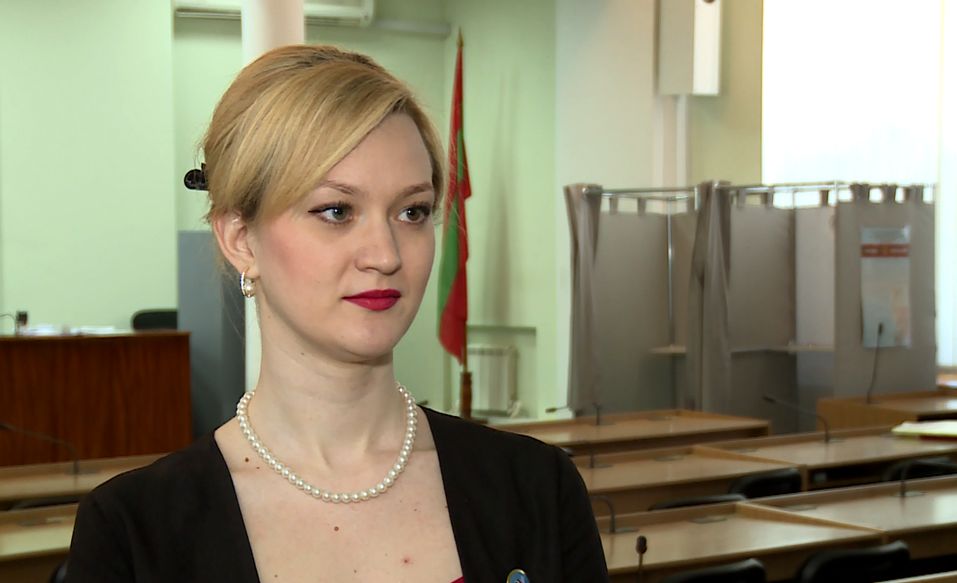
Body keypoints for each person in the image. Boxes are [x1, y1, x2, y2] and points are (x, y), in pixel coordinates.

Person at [66, 44, 607, 582]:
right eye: (336, 210)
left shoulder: (538, 489)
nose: (386, 254)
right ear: (241, 239)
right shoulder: (133, 535)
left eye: (412, 211)